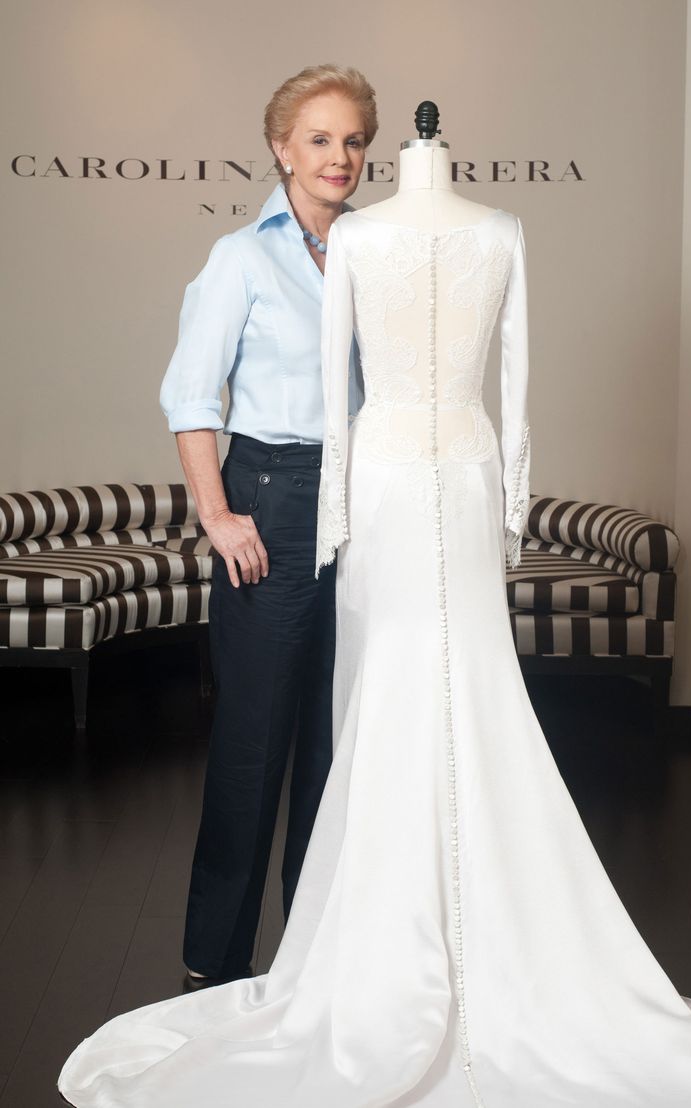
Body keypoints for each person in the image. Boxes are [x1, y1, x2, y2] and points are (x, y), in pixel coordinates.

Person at [60, 133, 691, 1108]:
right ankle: (392, 928)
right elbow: (415, 389)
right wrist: (434, 506)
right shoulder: (415, 233)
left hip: (416, 471)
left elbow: (479, 378)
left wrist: (452, 506)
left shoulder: (454, 230)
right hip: (435, 469)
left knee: (457, 681)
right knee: (390, 693)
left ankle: (420, 934)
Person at [157, 64, 374, 983]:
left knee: (338, 739)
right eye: (319, 139)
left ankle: (312, 960)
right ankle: (213, 966)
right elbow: (190, 396)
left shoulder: (376, 255)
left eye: (355, 140)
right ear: (282, 149)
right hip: (274, 496)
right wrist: (218, 513)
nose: (340, 157)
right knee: (255, 742)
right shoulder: (240, 260)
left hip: (363, 504)